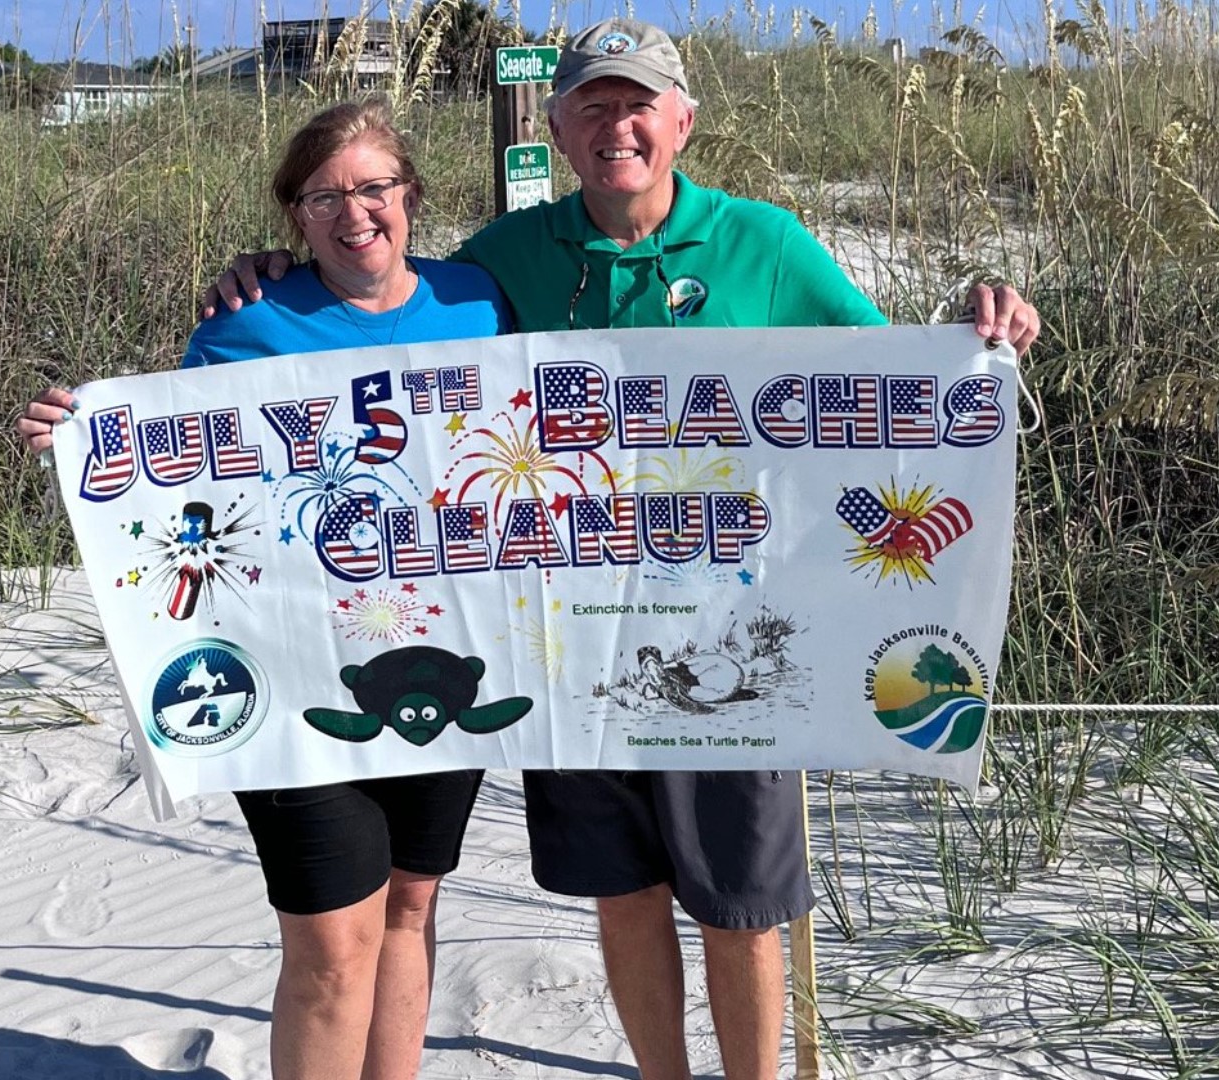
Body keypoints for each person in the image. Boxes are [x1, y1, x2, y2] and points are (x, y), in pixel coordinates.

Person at [201, 21, 1040, 1079]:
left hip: (736, 637)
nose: (617, 126)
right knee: (625, 894)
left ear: (683, 118)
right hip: (571, 644)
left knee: (740, 905)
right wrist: (267, 270)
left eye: (639, 103)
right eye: (592, 107)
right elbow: (379, 306)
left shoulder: (764, 244)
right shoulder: (502, 265)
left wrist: (982, 337)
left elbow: (887, 382)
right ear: (555, 127)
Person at [17, 99, 511, 1080]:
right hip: (290, 674)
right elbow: (182, 482)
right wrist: (80, 441)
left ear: (412, 193)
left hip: (448, 655)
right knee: (330, 945)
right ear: (294, 218)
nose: (354, 212)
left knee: (411, 910)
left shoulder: (480, 299)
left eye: (374, 187)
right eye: (324, 196)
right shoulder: (245, 324)